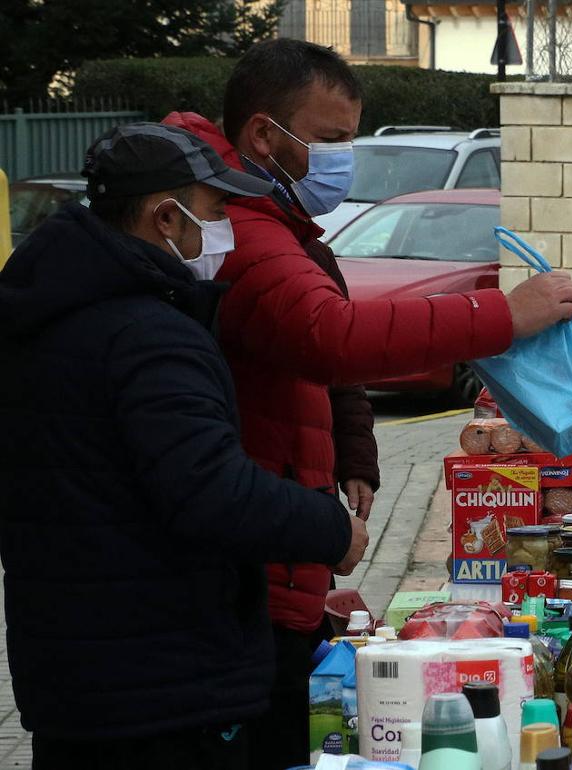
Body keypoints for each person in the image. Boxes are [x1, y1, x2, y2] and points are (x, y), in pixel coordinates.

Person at [163, 38, 572, 768]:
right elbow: (332, 336)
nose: (341, 161)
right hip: (253, 569)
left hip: (281, 557)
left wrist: (354, 448)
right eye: (330, 140)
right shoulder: (243, 230)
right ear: (263, 134)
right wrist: (502, 316)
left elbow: (315, 361)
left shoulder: (276, 219)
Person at [0, 123, 370, 769]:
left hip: (76, 673)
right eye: (217, 210)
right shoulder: (147, 334)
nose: (224, 227)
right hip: (163, 686)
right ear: (165, 217)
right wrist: (329, 529)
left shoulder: (48, 313)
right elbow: (210, 491)